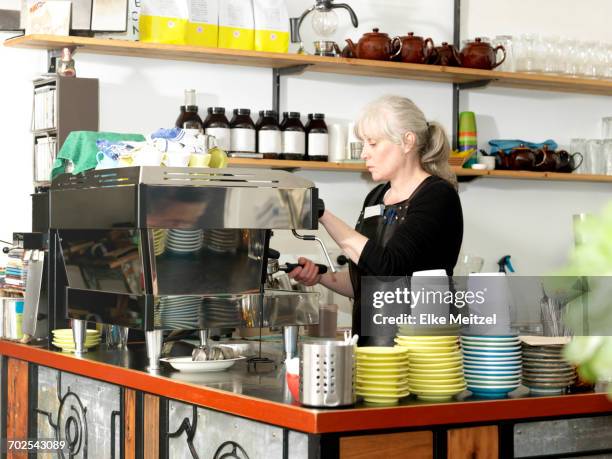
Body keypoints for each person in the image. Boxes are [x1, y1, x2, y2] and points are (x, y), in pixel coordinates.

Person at [288, 95, 463, 345]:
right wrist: (321, 276)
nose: (364, 154)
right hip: (372, 350)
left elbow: (389, 267)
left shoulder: (437, 196)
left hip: (420, 351)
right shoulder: (376, 197)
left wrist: (322, 214)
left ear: (407, 142)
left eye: (372, 143)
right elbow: (366, 280)